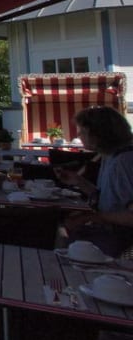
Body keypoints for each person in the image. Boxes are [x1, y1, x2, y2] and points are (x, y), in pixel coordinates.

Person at [54, 106, 133, 257]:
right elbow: (109, 199)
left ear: (99, 134)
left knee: (56, 234)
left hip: (124, 243)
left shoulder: (125, 161)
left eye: (82, 131)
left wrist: (92, 217)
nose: (78, 134)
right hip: (110, 231)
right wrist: (78, 181)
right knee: (59, 229)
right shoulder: (109, 156)